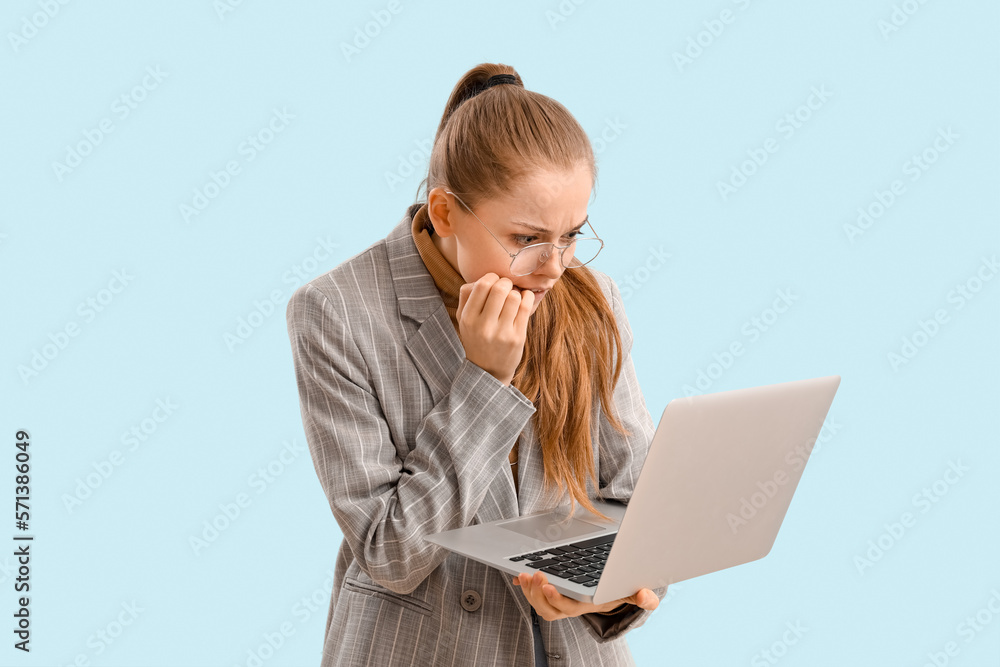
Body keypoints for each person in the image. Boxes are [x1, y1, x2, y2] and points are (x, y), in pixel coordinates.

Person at [285, 63, 666, 667]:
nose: (555, 266)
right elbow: (391, 553)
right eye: (527, 238)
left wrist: (600, 590)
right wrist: (486, 382)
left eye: (571, 235)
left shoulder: (591, 299)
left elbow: (639, 503)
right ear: (443, 214)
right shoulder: (335, 313)